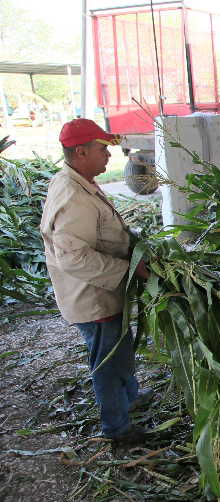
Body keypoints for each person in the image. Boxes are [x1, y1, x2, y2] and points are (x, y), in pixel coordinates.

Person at [40, 118, 152, 444]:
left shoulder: (80, 181)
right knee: (107, 359)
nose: (108, 156)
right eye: (102, 149)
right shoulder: (72, 196)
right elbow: (73, 258)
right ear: (80, 151)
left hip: (103, 289)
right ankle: (117, 429)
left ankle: (130, 399)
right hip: (93, 296)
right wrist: (129, 270)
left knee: (120, 348)